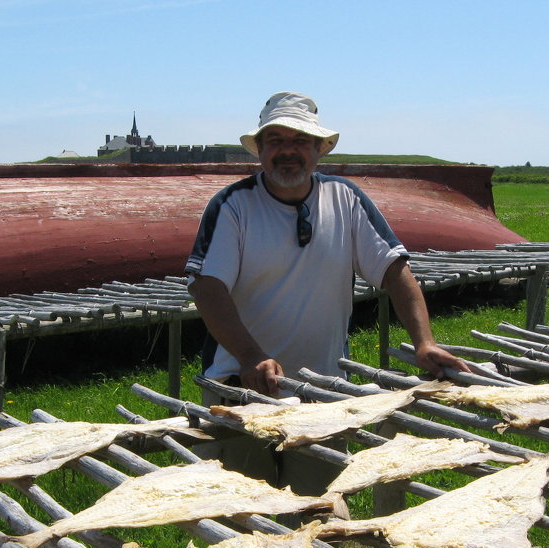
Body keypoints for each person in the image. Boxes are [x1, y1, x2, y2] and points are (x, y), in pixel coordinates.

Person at [186, 91, 468, 405]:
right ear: (261, 150)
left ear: (319, 148)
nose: (288, 151)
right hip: (242, 385)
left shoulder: (345, 198)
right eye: (276, 140)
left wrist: (424, 343)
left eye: (301, 140)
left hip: (323, 387)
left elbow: (393, 270)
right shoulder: (234, 205)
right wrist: (250, 355)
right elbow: (207, 287)